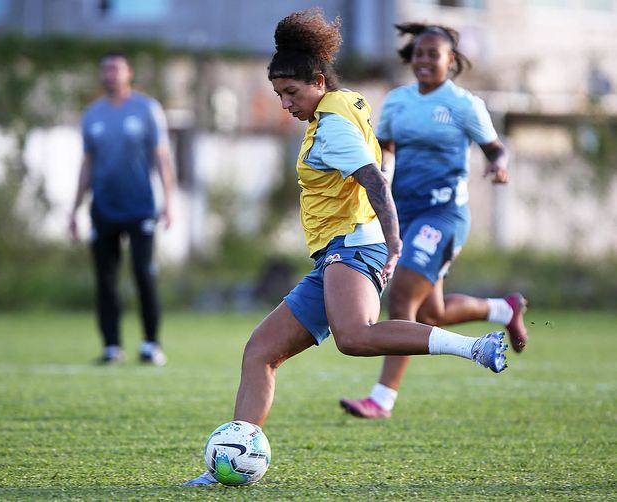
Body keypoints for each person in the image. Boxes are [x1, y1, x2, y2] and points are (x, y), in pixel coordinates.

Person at [186, 9, 508, 486]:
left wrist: (393, 238)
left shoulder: (333, 125)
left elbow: (374, 180)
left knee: (354, 336)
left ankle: (474, 347)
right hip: (338, 252)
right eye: (279, 95)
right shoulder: (342, 103)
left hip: (355, 248)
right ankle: (232, 462)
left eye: (290, 93)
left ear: (318, 80)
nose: (285, 104)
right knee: (260, 352)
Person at [339, 23, 528, 420]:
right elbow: (385, 151)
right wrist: (378, 178)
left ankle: (381, 399)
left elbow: (496, 149)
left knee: (403, 291)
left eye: (433, 54)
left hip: (443, 214)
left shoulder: (464, 105)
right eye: (419, 53)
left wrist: (499, 167)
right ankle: (504, 310)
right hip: (403, 214)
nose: (424, 60)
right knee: (432, 315)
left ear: (451, 61)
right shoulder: (396, 102)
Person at [69, 51, 175, 365]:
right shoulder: (92, 115)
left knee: (144, 275)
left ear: (128, 73)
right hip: (103, 208)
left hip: (140, 207)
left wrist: (169, 202)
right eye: (105, 69)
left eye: (116, 69)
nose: (110, 74)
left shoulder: (146, 109)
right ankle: (112, 347)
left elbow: (162, 158)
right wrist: (74, 209)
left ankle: (150, 344)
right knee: (105, 280)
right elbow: (87, 164)